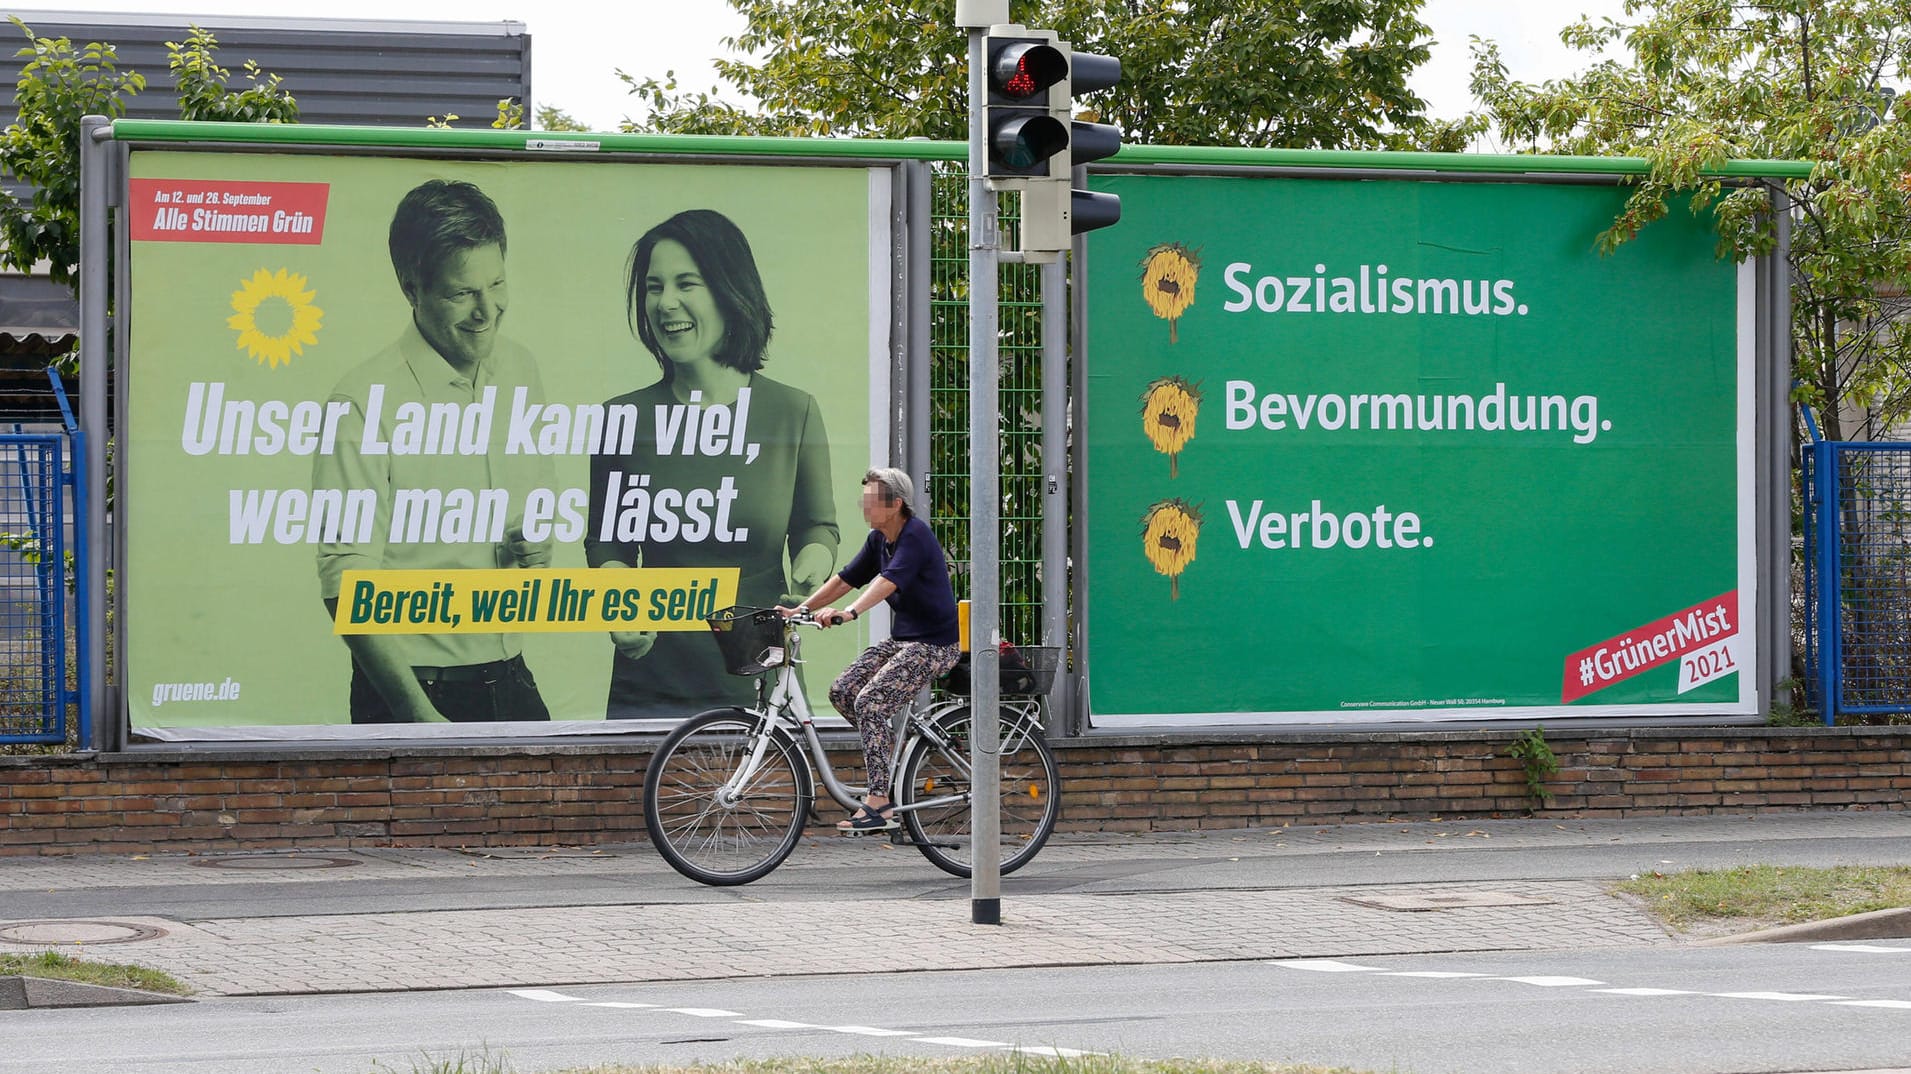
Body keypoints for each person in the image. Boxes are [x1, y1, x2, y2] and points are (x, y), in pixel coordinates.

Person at [314, 179, 554, 723]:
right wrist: (419, 718)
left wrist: (535, 545)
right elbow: (346, 584)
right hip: (415, 694)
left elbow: (535, 512)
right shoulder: (361, 402)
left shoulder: (521, 370)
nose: (486, 310)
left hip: (511, 672)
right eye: (461, 293)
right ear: (411, 287)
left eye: (496, 284)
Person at [585, 209, 839, 718]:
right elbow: (607, 540)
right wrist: (619, 605)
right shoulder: (622, 416)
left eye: (687, 283)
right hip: (650, 680)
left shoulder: (793, 411)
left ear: (729, 290)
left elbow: (817, 526)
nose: (665, 303)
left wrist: (813, 569)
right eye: (654, 287)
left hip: (759, 672)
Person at [780, 467, 962, 832]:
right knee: (843, 690)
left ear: (895, 504)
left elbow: (886, 582)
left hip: (935, 645)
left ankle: (880, 803)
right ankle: (890, 758)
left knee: (871, 703)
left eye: (870, 501)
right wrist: (802, 609)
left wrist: (849, 613)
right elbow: (846, 578)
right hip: (905, 641)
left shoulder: (915, 536)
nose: (863, 507)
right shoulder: (879, 539)